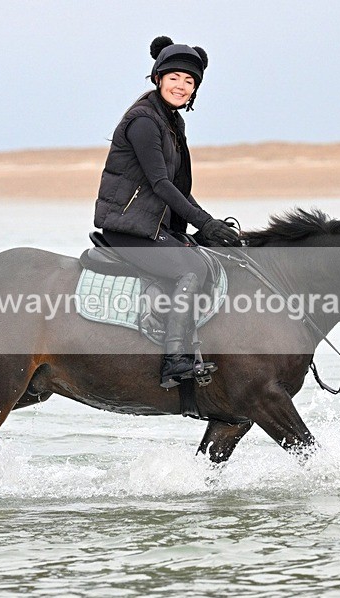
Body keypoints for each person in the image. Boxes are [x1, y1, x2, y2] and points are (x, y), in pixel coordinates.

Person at [94, 35, 239, 389]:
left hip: (152, 227)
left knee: (210, 257)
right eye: (174, 77)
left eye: (189, 81)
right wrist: (204, 222)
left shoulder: (172, 122)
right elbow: (160, 184)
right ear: (158, 78)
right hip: (126, 228)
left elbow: (180, 189)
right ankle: (175, 361)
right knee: (189, 270)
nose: (181, 86)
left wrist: (208, 229)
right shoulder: (144, 121)